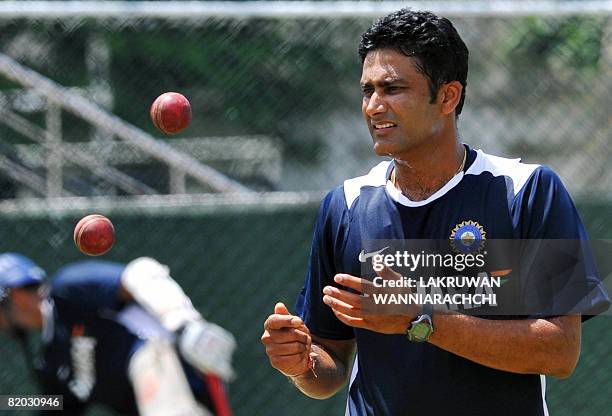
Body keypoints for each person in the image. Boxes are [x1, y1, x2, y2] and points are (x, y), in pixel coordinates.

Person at [261, 9, 610, 416]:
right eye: (367, 90)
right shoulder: (345, 205)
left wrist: (419, 317)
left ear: (448, 96)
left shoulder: (528, 191)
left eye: (392, 88)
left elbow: (560, 351)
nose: (374, 106)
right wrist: (302, 364)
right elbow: (331, 361)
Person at [0, 253, 235, 416]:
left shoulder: (67, 292)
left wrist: (185, 326)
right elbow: (55, 406)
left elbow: (141, 273)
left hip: (162, 363)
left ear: (15, 296)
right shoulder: (53, 361)